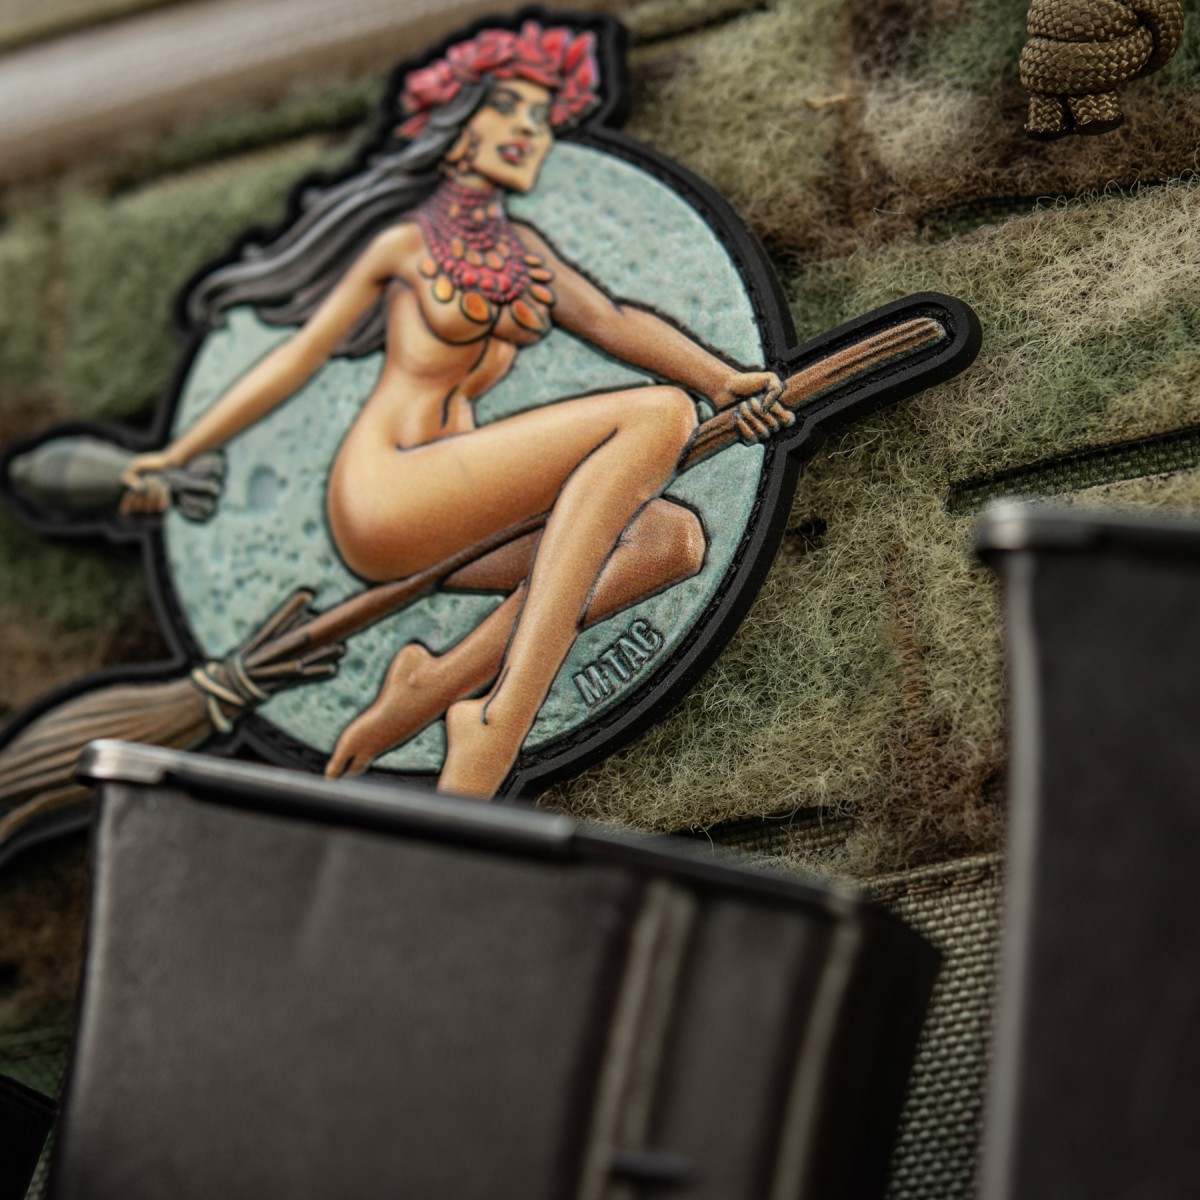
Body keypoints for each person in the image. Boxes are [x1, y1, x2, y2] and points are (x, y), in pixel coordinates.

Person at [122, 20, 788, 800]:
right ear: (455, 129)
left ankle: (430, 685)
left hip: (467, 514)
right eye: (508, 109)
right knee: (658, 416)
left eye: (541, 117)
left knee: (669, 542)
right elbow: (294, 360)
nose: (530, 131)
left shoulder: (522, 250)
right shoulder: (404, 247)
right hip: (390, 492)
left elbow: (612, 321)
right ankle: (498, 723)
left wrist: (724, 379)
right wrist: (176, 455)